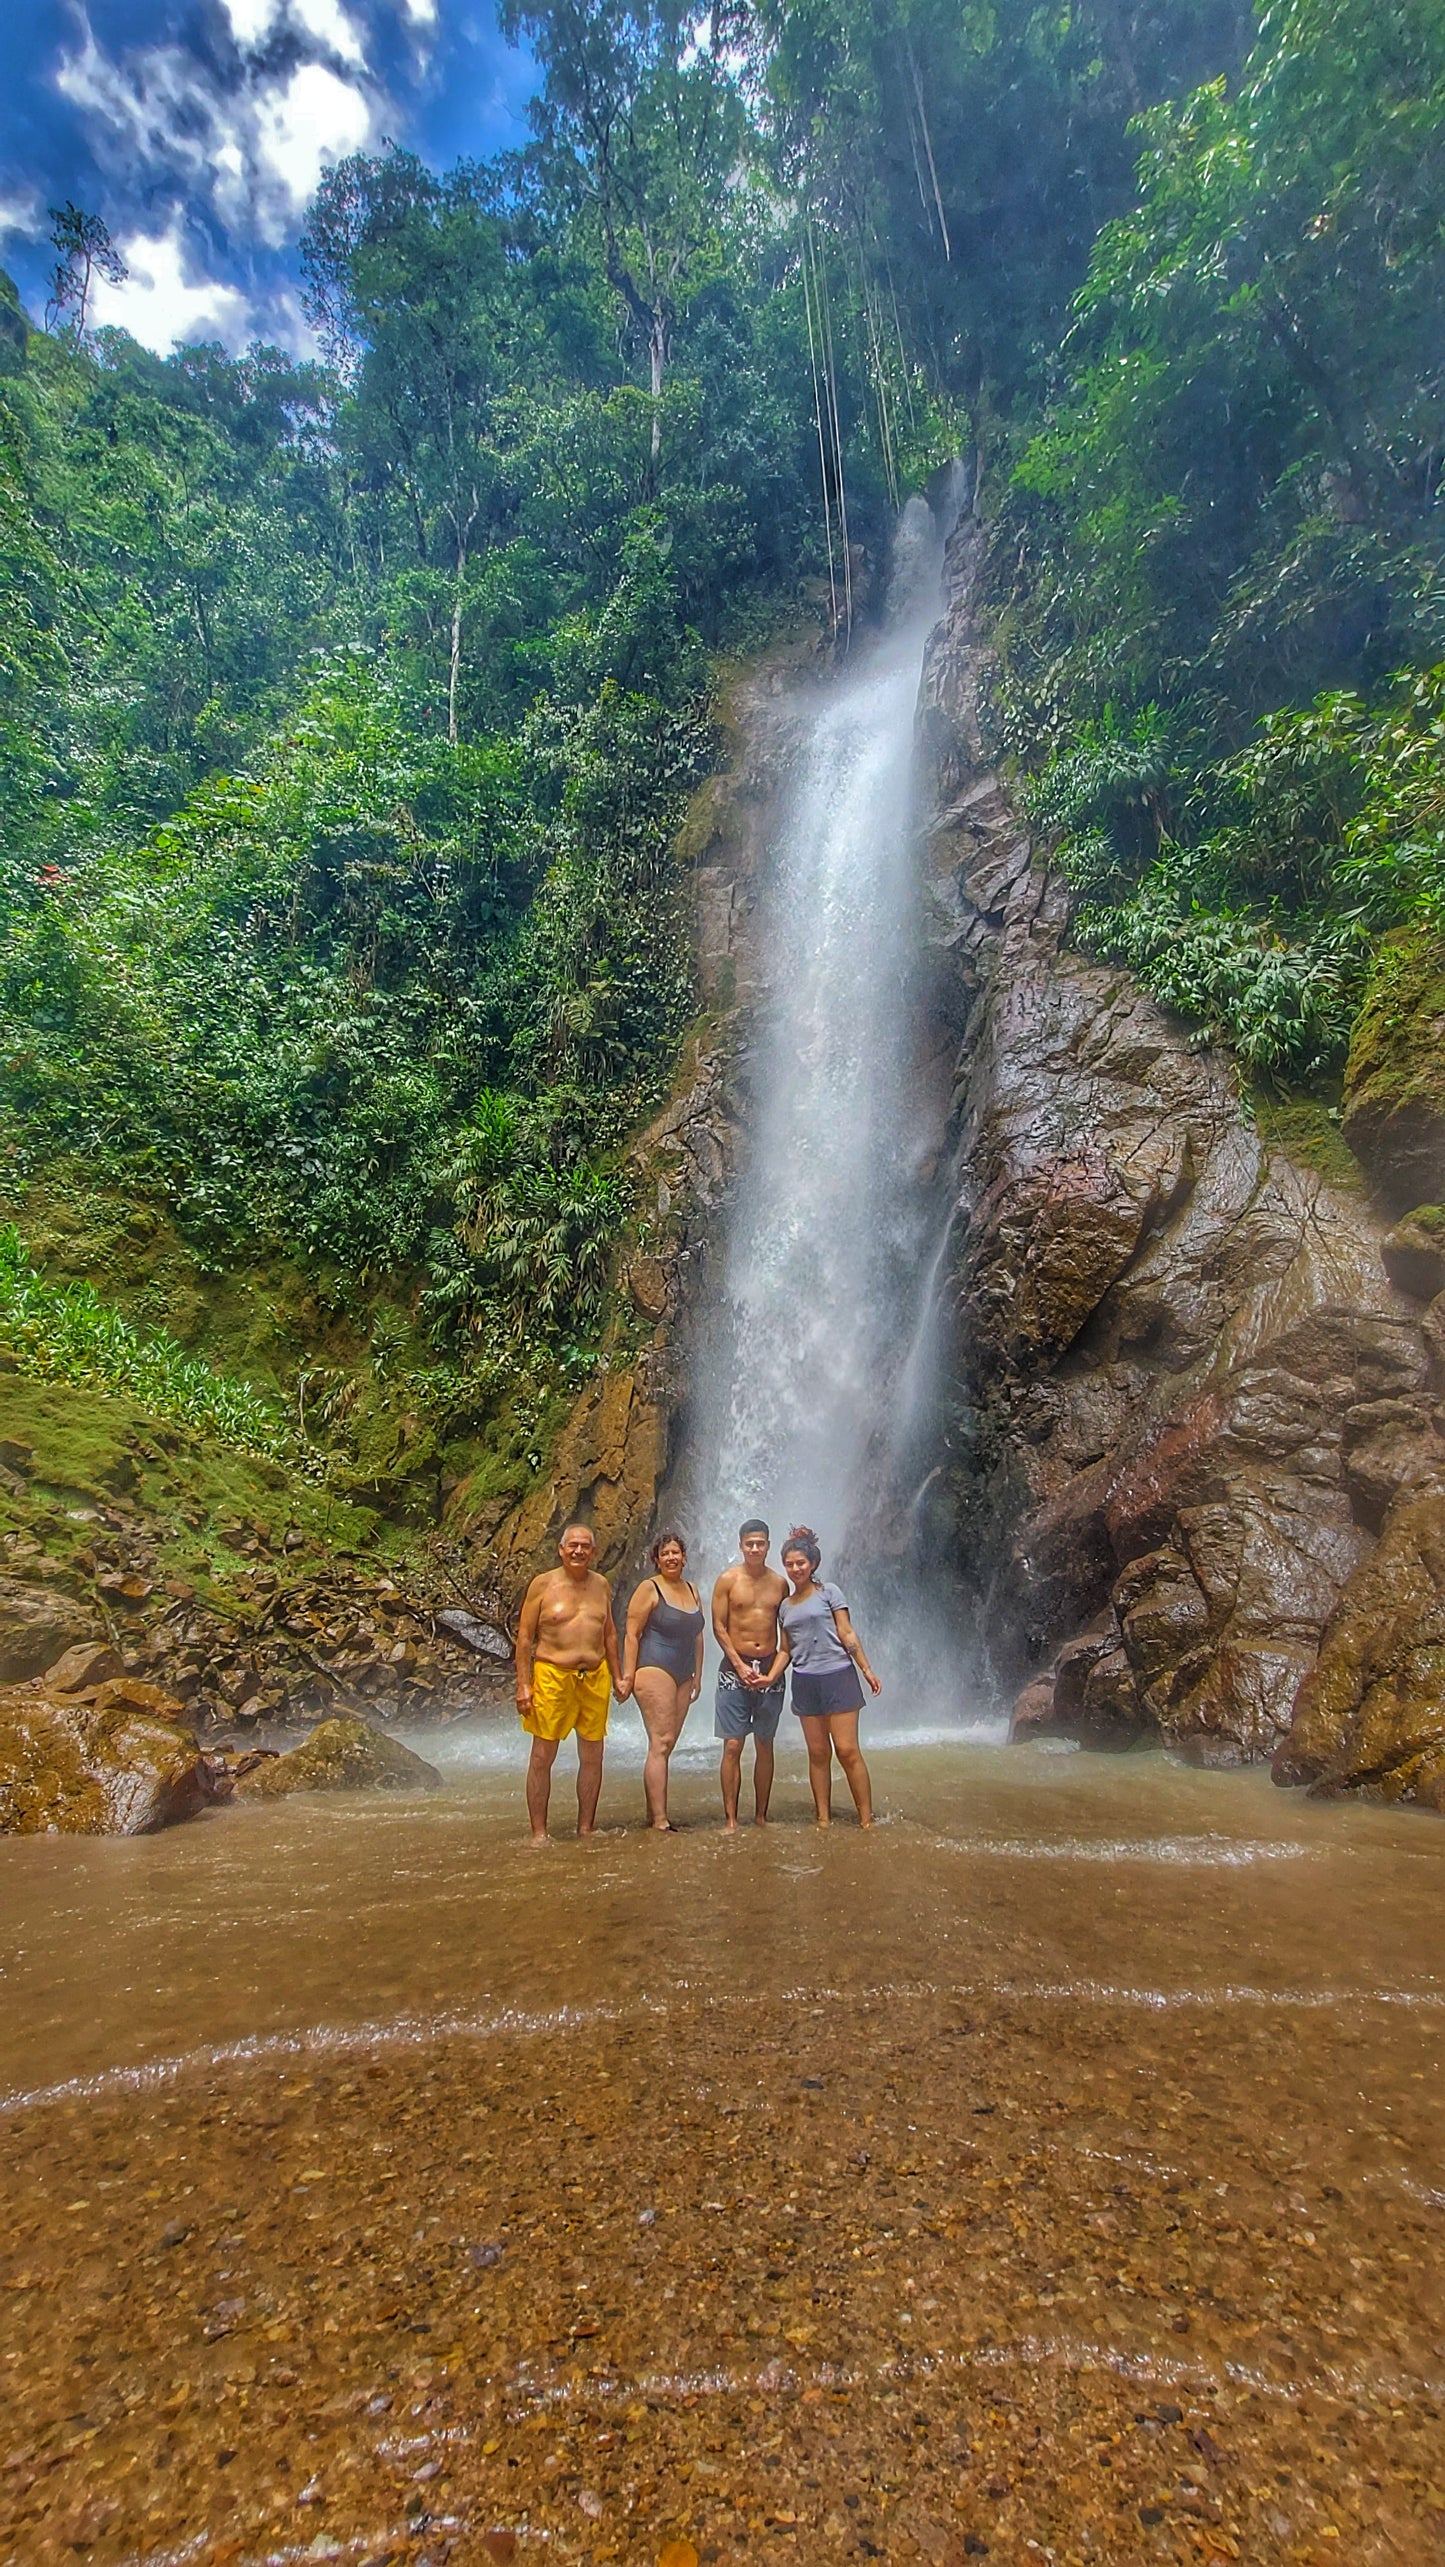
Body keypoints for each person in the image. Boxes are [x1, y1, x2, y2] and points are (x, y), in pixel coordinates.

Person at [765, 1526, 881, 1828]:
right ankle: (823, 1819)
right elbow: (785, 1650)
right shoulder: (784, 1607)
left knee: (846, 1749)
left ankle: (866, 1820)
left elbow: (846, 1632)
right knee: (817, 1753)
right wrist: (769, 1678)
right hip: (805, 1681)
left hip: (838, 1675)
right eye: (789, 1564)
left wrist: (866, 1669)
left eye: (800, 1563)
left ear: (812, 1563)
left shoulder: (829, 1592)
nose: (795, 1569)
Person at [514, 1524, 621, 1842]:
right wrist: (523, 1684)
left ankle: (586, 1828)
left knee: (593, 1755)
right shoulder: (543, 1585)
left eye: (585, 1546)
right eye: (572, 1545)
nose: (578, 1551)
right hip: (552, 1676)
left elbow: (610, 1633)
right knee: (542, 1756)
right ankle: (539, 1833)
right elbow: (524, 1638)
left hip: (594, 1677)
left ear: (593, 1552)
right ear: (561, 1549)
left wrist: (619, 1676)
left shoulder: (601, 1585)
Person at [619, 1531, 705, 1830]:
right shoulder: (649, 1588)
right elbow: (632, 1633)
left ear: (684, 1556)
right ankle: (660, 1821)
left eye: (676, 1552)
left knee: (666, 1745)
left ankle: (652, 1813)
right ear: (656, 1559)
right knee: (662, 1741)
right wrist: (627, 1676)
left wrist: (698, 1675)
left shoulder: (693, 1590)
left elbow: (698, 1635)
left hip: (684, 1673)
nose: (671, 1557)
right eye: (665, 1553)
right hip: (654, 1667)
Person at [710, 1518, 789, 1829]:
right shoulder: (727, 1581)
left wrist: (775, 1672)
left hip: (770, 1668)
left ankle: (761, 1816)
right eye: (749, 1543)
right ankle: (730, 1819)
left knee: (765, 1743)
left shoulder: (780, 1583)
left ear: (768, 1545)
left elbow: (788, 1633)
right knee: (732, 1744)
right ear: (741, 1545)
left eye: (760, 1543)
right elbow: (718, 1626)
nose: (755, 1548)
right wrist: (739, 1665)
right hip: (734, 1669)